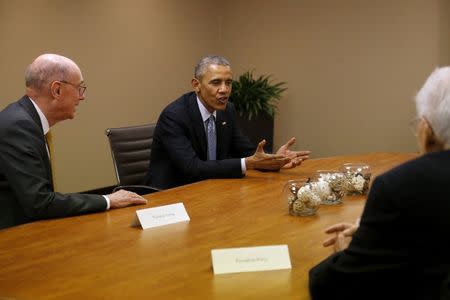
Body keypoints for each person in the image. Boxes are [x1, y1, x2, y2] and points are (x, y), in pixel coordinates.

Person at [309, 67, 450, 300]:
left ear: (426, 129)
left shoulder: (398, 185)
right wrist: (381, 231)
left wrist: (346, 250)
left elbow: (332, 286)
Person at [0, 54, 147, 230]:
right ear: (57, 90)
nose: (82, 97)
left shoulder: (25, 119)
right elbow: (39, 202)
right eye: (79, 88)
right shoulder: (18, 126)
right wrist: (107, 200)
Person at [144, 55, 311, 189]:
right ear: (196, 85)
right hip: (171, 196)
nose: (224, 90)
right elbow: (192, 168)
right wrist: (247, 163)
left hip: (211, 189)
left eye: (228, 83)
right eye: (216, 82)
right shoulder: (174, 116)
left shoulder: (227, 110)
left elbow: (246, 150)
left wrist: (274, 159)